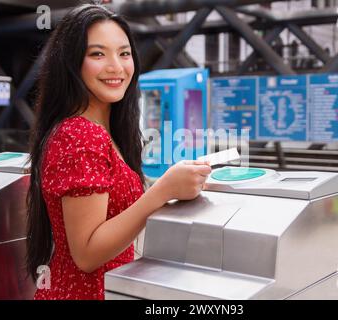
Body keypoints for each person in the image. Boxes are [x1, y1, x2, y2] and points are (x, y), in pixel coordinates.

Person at [26, 4, 211, 300]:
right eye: (97, 54)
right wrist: (162, 190)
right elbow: (86, 253)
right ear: (71, 63)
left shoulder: (103, 132)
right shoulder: (80, 135)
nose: (116, 66)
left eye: (124, 53)